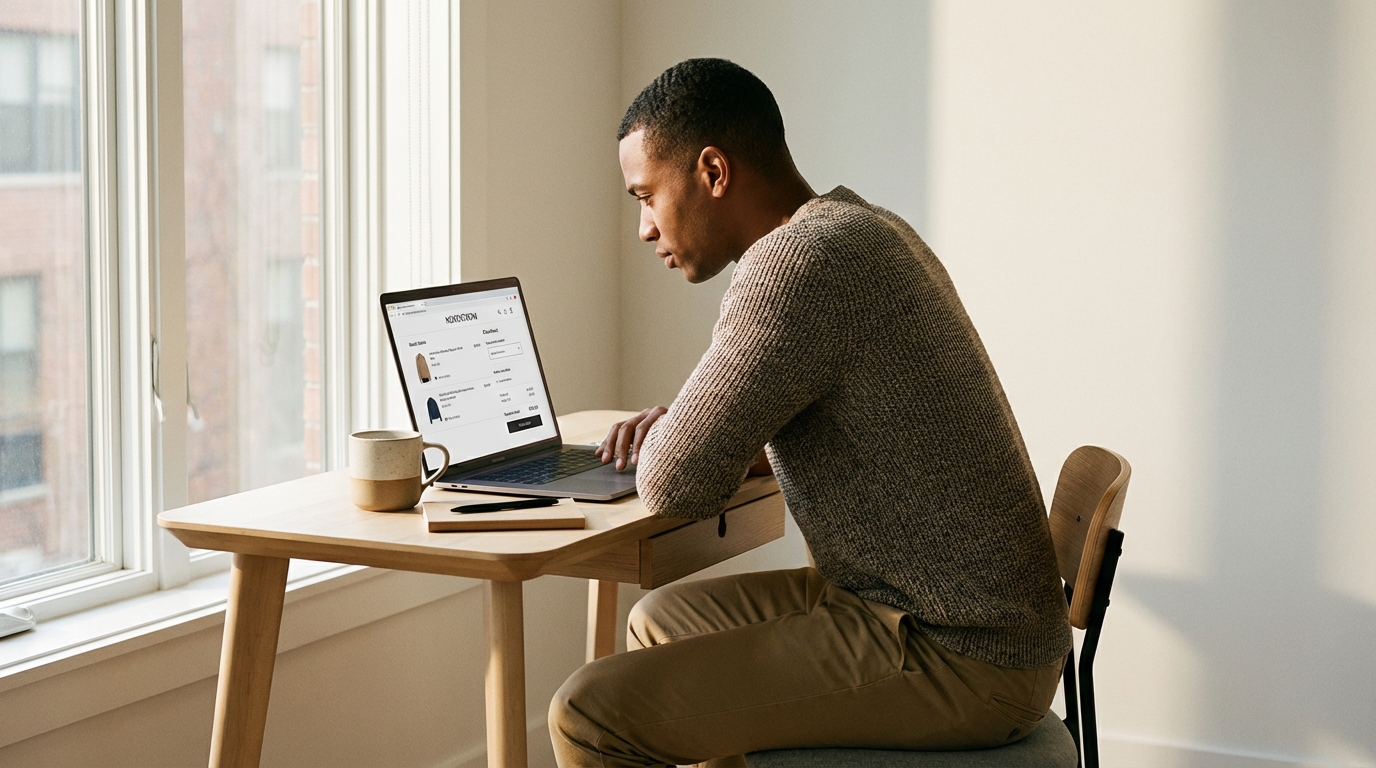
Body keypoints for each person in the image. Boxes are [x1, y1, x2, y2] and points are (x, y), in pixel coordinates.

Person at [548, 58, 1070, 768]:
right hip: (948, 616)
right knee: (660, 619)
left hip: (961, 652)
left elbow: (675, 484)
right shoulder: (859, 225)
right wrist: (702, 431)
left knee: (587, 714)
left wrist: (676, 434)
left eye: (646, 196)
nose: (644, 228)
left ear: (712, 171)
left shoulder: (798, 264)